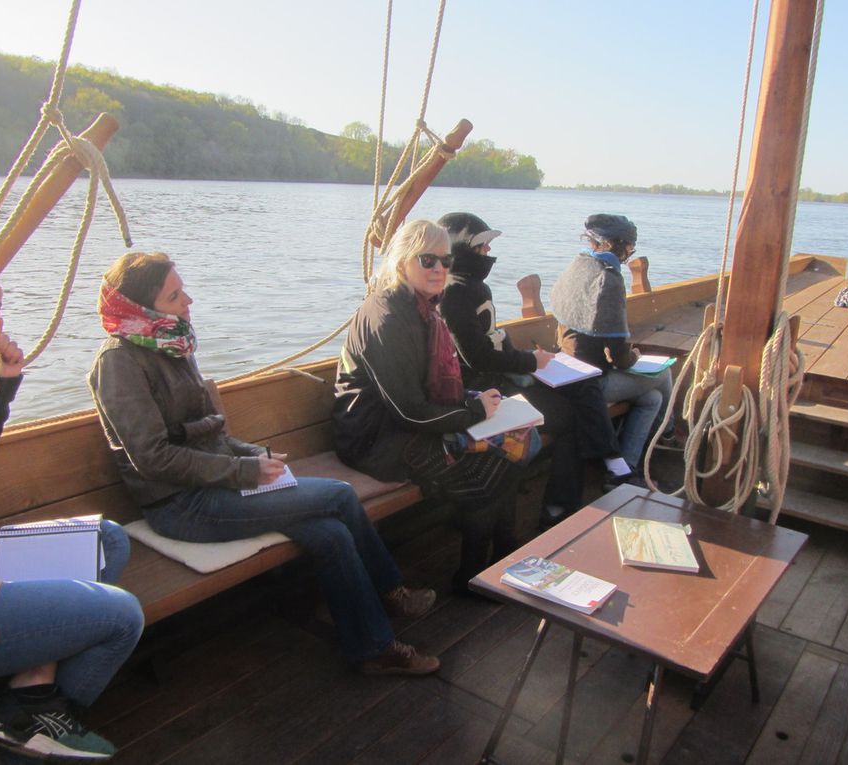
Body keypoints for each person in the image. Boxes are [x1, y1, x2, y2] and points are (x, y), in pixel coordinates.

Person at [87, 251, 438, 677]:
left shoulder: (169, 342)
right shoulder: (119, 362)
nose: (188, 301)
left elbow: (206, 432)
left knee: (329, 534)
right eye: (175, 295)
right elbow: (152, 457)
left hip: (218, 485)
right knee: (341, 496)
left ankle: (371, 647)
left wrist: (251, 453)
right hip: (181, 505)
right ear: (141, 307)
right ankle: (390, 593)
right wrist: (244, 472)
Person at [0, 220, 144, 763]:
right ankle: (38, 720)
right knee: (122, 617)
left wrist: (1, 387)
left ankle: (22, 704)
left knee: (107, 541)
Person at [333, 219, 523, 594]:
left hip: (403, 424)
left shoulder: (422, 308)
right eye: (427, 260)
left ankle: (505, 557)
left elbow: (424, 392)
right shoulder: (387, 317)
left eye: (445, 261)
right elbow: (408, 410)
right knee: (486, 479)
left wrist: (473, 403)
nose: (439, 269)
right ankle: (472, 580)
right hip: (375, 438)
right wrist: (473, 413)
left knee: (510, 458)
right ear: (403, 261)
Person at [436, 212, 624, 527]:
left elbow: (491, 342)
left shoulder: (470, 287)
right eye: (481, 248)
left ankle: (602, 466)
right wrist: (530, 362)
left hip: (502, 375)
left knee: (582, 384)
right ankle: (560, 506)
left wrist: (527, 356)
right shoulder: (455, 293)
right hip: (486, 390)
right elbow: (476, 358)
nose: (487, 255)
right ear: (460, 249)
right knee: (568, 417)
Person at [551, 214, 675, 478]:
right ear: (617, 245)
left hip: (567, 367)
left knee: (652, 399)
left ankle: (622, 467)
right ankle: (669, 431)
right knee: (664, 373)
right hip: (592, 383)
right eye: (630, 248)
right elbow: (619, 355)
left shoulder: (577, 266)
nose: (629, 254)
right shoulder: (609, 278)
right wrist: (635, 357)